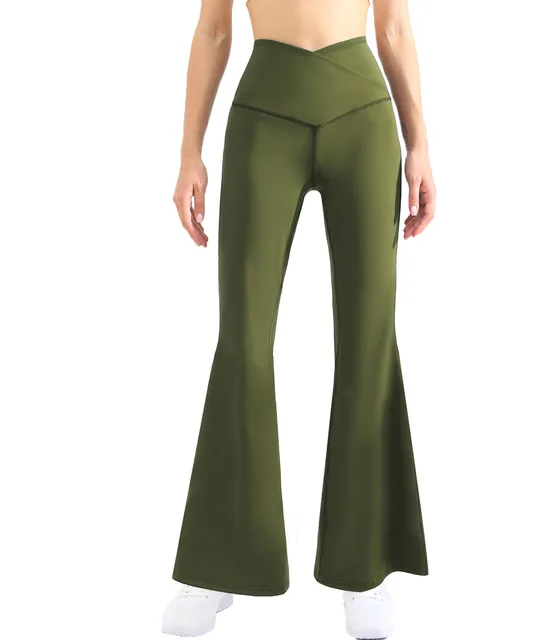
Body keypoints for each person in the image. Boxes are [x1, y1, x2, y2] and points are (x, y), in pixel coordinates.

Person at [163, 0, 436, 636]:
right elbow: (213, 27)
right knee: (243, 340)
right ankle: (220, 560)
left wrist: (420, 144)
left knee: (369, 339)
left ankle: (364, 567)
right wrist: (189, 153)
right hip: (264, 115)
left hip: (362, 118)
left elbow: (394, 25)